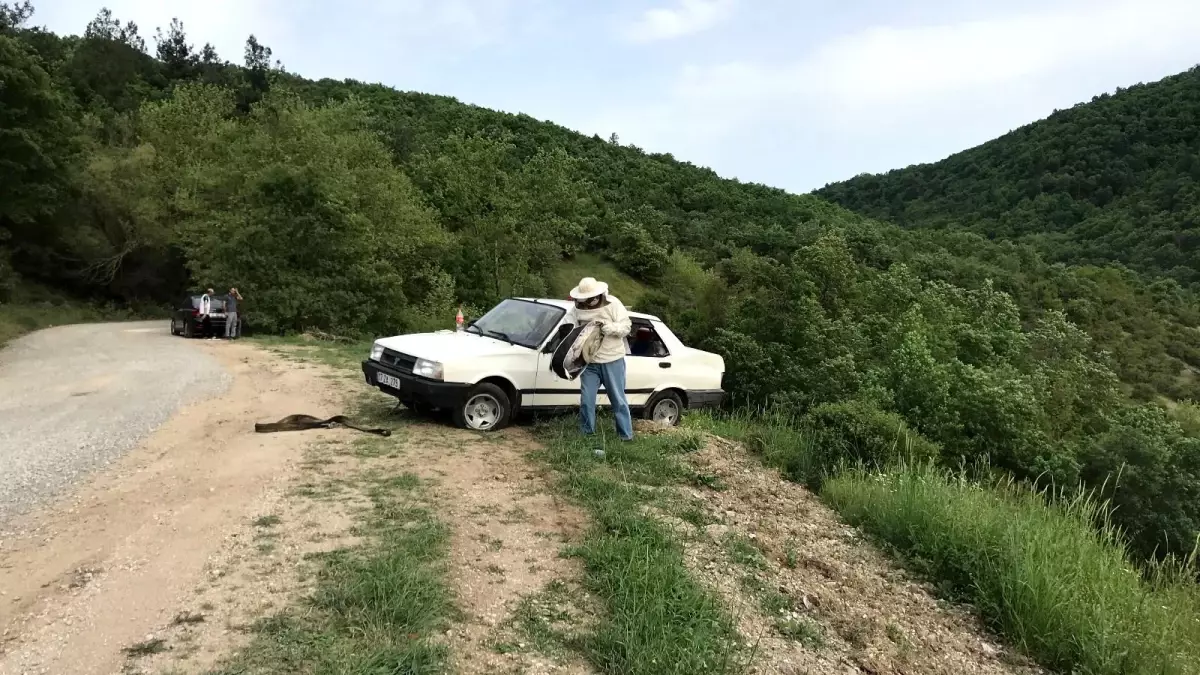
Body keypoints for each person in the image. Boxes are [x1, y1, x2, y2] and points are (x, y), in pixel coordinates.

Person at [565, 277, 633, 442]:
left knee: (618, 399)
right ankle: (587, 435)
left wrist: (612, 328)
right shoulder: (576, 308)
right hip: (589, 363)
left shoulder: (613, 304)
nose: (588, 302)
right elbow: (568, 324)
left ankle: (625, 436)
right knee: (587, 400)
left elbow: (627, 326)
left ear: (598, 295)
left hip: (612, 360)